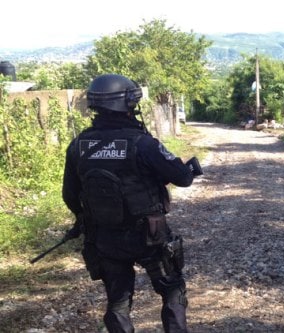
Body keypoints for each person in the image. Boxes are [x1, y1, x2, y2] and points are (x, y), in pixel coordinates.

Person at [61, 74, 203, 333]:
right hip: (149, 235)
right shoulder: (143, 143)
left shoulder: (79, 145)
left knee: (118, 301)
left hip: (105, 237)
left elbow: (70, 195)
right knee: (172, 288)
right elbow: (182, 178)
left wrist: (85, 219)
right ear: (129, 104)